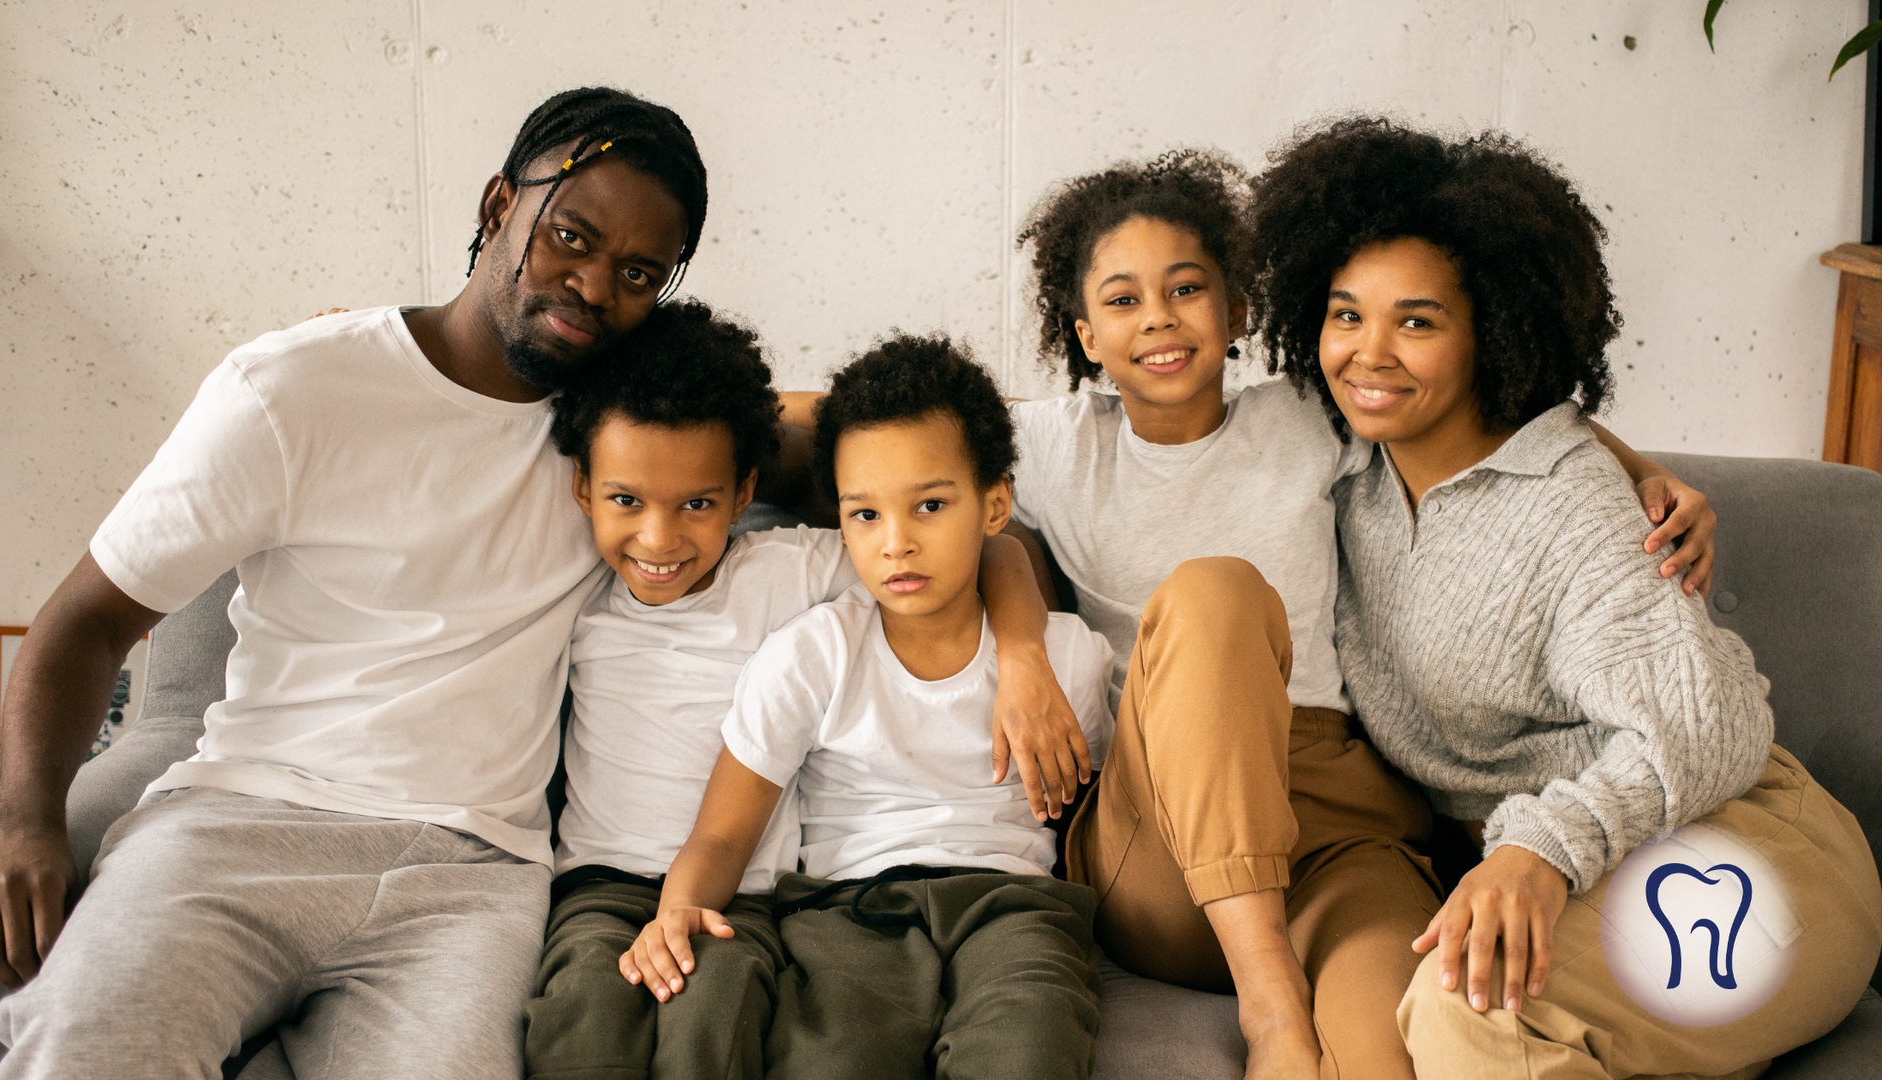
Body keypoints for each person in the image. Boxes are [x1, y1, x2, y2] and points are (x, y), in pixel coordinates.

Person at [0, 86, 710, 1079]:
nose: (592, 286)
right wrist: (24, 817)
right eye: (570, 236)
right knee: (91, 1047)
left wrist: (999, 557)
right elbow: (89, 619)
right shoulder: (294, 388)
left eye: (636, 273)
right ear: (499, 205)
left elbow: (850, 454)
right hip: (240, 828)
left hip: (472, 877)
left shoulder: (628, 434)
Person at [966, 148, 1717, 1079]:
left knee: (1401, 1042)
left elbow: (1490, 407)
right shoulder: (1050, 446)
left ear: (1238, 311)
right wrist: (1023, 645)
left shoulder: (1311, 415)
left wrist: (1640, 470)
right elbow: (883, 447)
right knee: (1216, 591)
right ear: (1083, 335)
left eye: (1187, 288)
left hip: (1336, 826)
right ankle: (1270, 1004)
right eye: (1123, 301)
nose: (1157, 318)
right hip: (1157, 833)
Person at [1247, 116, 1882, 1079]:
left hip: (1745, 857)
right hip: (1595, 874)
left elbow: (1709, 723)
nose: (1368, 352)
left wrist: (1539, 850)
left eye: (1417, 321)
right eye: (1345, 314)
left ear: (1492, 331)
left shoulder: (1573, 504)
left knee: (1468, 1020)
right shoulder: (1339, 466)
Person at [526, 303, 1084, 1079]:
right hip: (599, 881)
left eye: (696, 503)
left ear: (744, 489)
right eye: (628, 502)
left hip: (745, 890)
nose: (658, 539)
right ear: (584, 490)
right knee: (580, 1033)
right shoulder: (571, 587)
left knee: (712, 1029)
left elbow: (988, 551)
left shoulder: (789, 568)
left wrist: (1024, 652)